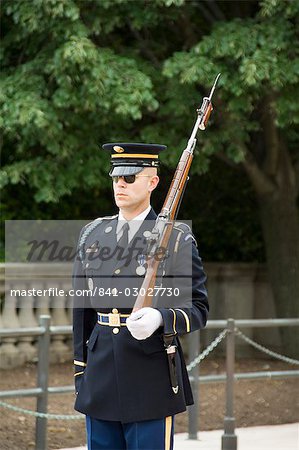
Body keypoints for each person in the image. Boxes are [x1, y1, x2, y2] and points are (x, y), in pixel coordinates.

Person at [72, 142, 209, 450]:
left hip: (151, 378)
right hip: (101, 376)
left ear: (153, 182)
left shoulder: (176, 240)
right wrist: (82, 373)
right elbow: (81, 313)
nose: (120, 183)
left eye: (130, 177)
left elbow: (199, 307)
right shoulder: (92, 235)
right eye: (116, 177)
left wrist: (162, 317)